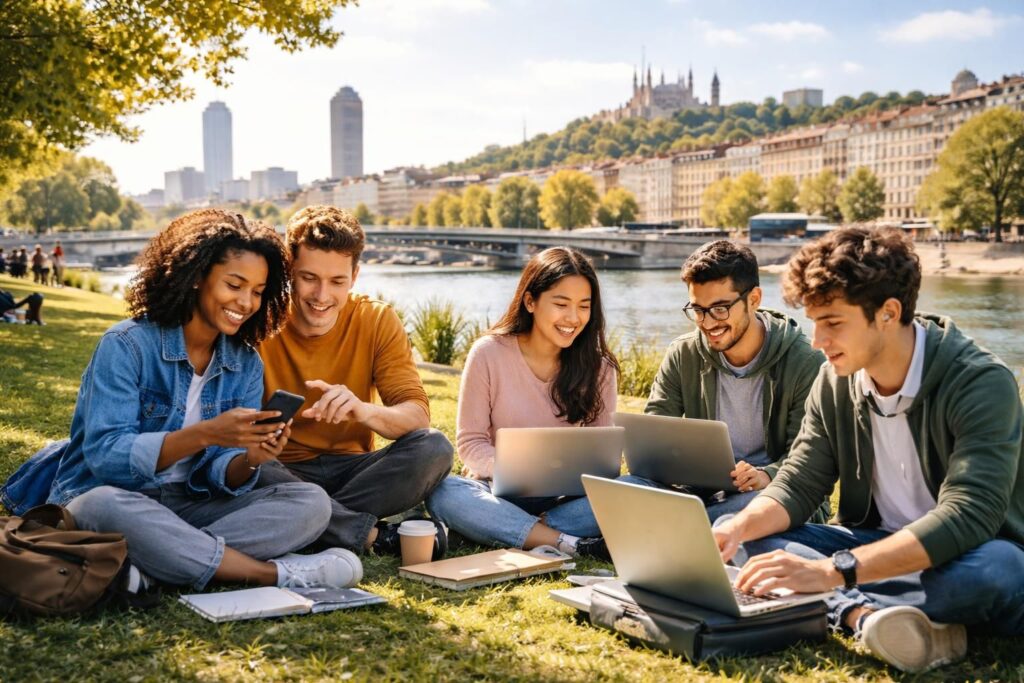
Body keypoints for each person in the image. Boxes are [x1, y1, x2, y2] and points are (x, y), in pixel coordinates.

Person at [713, 227, 1024, 673]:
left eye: (833, 323)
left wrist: (831, 572)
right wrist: (737, 530)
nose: (818, 341)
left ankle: (834, 603)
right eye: (815, 322)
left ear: (888, 313)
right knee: (740, 533)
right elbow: (799, 483)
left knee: (995, 572)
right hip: (871, 546)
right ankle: (867, 616)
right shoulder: (834, 380)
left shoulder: (979, 383)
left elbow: (970, 515)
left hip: (970, 552)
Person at [42, 210, 362, 591]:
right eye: (234, 285)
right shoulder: (126, 346)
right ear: (196, 277)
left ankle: (151, 563)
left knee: (311, 503)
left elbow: (218, 472)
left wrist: (250, 459)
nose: (246, 302)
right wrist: (206, 433)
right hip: (119, 499)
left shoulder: (244, 363)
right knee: (100, 507)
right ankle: (273, 574)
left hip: (187, 507)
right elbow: (107, 457)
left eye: (258, 292)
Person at [256, 205, 454, 558]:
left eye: (337, 282)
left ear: (355, 275)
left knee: (434, 448)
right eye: (309, 278)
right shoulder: (259, 321)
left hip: (355, 474)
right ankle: (365, 534)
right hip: (282, 471)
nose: (321, 296)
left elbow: (416, 416)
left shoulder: (376, 319)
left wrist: (363, 411)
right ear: (289, 270)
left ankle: (311, 523)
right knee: (247, 466)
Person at [426, 247, 618, 558]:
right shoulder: (488, 353)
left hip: (567, 497)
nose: (574, 318)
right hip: (500, 491)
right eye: (561, 304)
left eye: (584, 306)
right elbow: (471, 445)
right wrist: (514, 470)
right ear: (530, 301)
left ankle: (520, 530)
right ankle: (569, 542)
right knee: (444, 492)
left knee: (640, 486)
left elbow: (602, 456)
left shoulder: (601, 368)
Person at [629, 240, 826, 522]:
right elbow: (653, 438)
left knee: (759, 504)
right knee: (626, 488)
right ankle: (689, 521)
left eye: (720, 308)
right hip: (702, 491)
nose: (708, 323)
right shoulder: (683, 353)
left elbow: (806, 460)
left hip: (772, 492)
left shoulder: (805, 362)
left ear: (754, 299)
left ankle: (674, 522)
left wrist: (764, 475)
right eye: (698, 310)